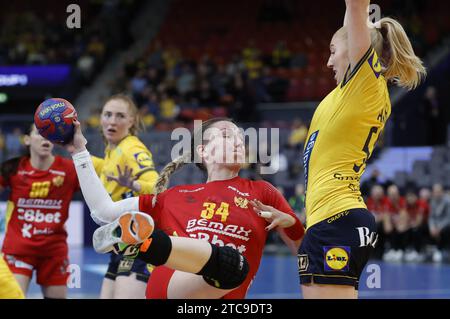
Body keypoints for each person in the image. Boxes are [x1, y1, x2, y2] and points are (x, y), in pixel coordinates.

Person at [67, 117, 304, 298]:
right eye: (226, 135)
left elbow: (304, 251)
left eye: (240, 138)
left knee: (234, 267)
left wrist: (292, 223)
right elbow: (102, 211)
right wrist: (79, 151)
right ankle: (144, 243)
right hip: (172, 286)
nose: (238, 142)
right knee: (233, 265)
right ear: (202, 151)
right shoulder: (176, 196)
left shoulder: (262, 192)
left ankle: (141, 242)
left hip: (217, 289)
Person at [298, 0, 426, 298]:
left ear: (357, 48)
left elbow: (356, 7)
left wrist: (358, 16)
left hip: (337, 218)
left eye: (332, 51)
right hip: (333, 219)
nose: (328, 62)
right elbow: (351, 17)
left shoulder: (366, 81)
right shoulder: (348, 92)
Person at [91, 94, 159, 299]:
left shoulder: (132, 148)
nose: (112, 121)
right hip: (120, 241)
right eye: (108, 114)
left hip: (139, 242)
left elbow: (158, 187)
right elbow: (106, 167)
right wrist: (76, 152)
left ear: (131, 121)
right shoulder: (113, 149)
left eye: (120, 116)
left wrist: (134, 184)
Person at [0, 125, 80, 298]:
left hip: (53, 252)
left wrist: (78, 151)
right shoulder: (12, 168)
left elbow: (96, 187)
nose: (45, 138)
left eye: (50, 135)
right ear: (27, 140)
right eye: (39, 133)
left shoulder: (69, 169)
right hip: (18, 250)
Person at [429, 184, 450, 263]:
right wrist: (432, 227)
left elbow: (448, 218)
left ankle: (443, 249)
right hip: (436, 225)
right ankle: (436, 250)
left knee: (447, 230)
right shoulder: (432, 201)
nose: (437, 193)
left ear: (442, 192)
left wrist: (439, 228)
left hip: (445, 224)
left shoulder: (448, 201)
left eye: (439, 191)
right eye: (435, 192)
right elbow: (431, 217)